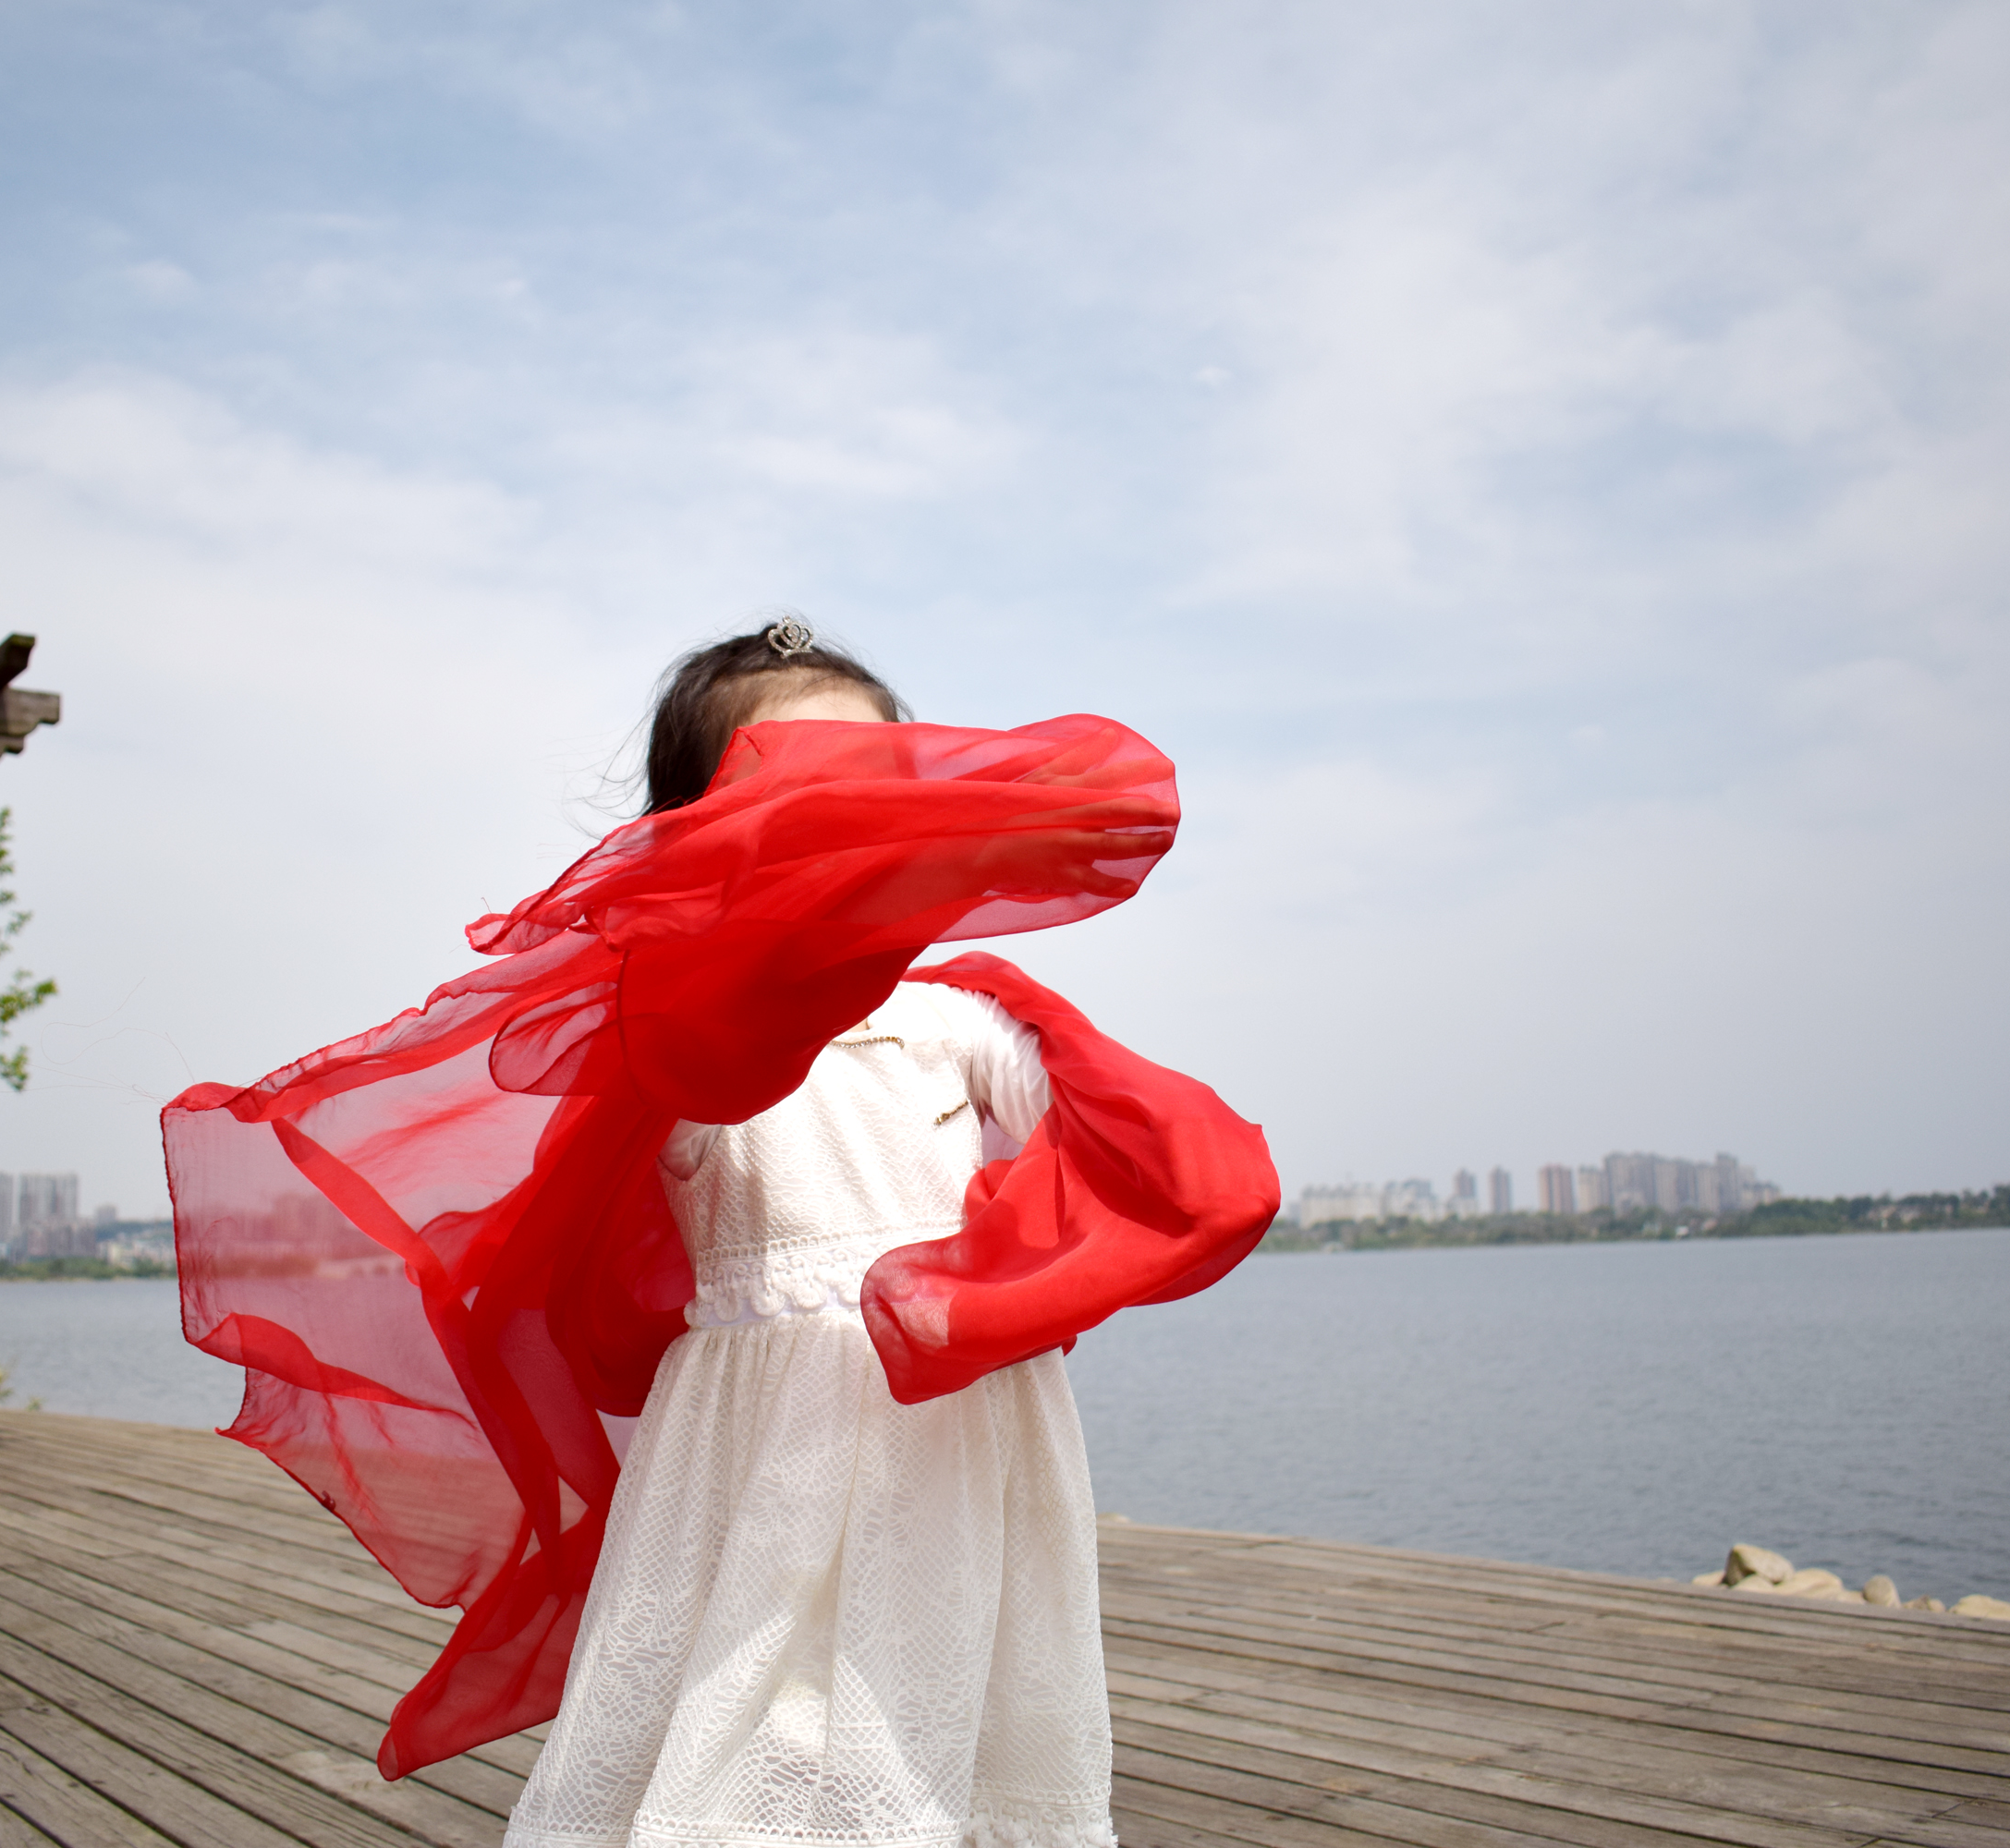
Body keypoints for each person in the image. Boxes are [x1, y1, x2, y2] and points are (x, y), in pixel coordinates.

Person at [163, 617, 1278, 1848]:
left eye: (872, 790)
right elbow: (631, 1153)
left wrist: (1000, 1279)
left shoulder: (961, 1018)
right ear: (696, 824)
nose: (837, 824)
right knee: (743, 1715)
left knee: (931, 1703)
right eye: (790, 794)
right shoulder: (664, 1030)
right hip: (759, 1428)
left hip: (946, 1425)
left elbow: (1138, 1148)